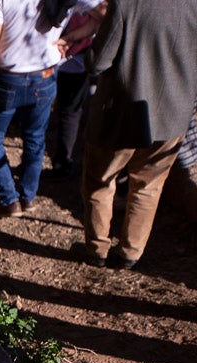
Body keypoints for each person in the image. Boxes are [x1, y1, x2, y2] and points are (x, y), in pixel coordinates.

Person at [74, 0, 197, 270]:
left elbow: (98, 62)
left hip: (118, 114)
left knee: (100, 181)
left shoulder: (126, 3)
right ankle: (131, 253)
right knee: (148, 186)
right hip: (173, 116)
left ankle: (97, 249)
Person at [0, 0, 104, 218]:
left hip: (8, 77)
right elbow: (104, 13)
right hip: (45, 76)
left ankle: (9, 200)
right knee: (35, 137)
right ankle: (27, 197)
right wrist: (69, 38)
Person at [46, 3, 107, 181]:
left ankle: (57, 163)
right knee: (68, 111)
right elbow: (101, 17)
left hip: (59, 55)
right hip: (72, 55)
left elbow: (101, 16)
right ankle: (61, 162)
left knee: (62, 110)